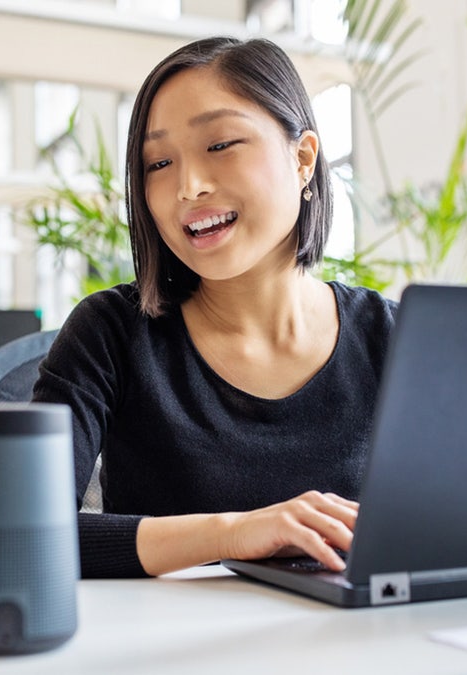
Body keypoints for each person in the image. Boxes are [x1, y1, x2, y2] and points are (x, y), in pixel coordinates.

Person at [32, 36, 398, 578]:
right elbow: (22, 533)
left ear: (302, 159)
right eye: (158, 162)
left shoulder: (393, 337)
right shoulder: (108, 334)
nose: (188, 186)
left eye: (220, 145)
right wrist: (234, 533)